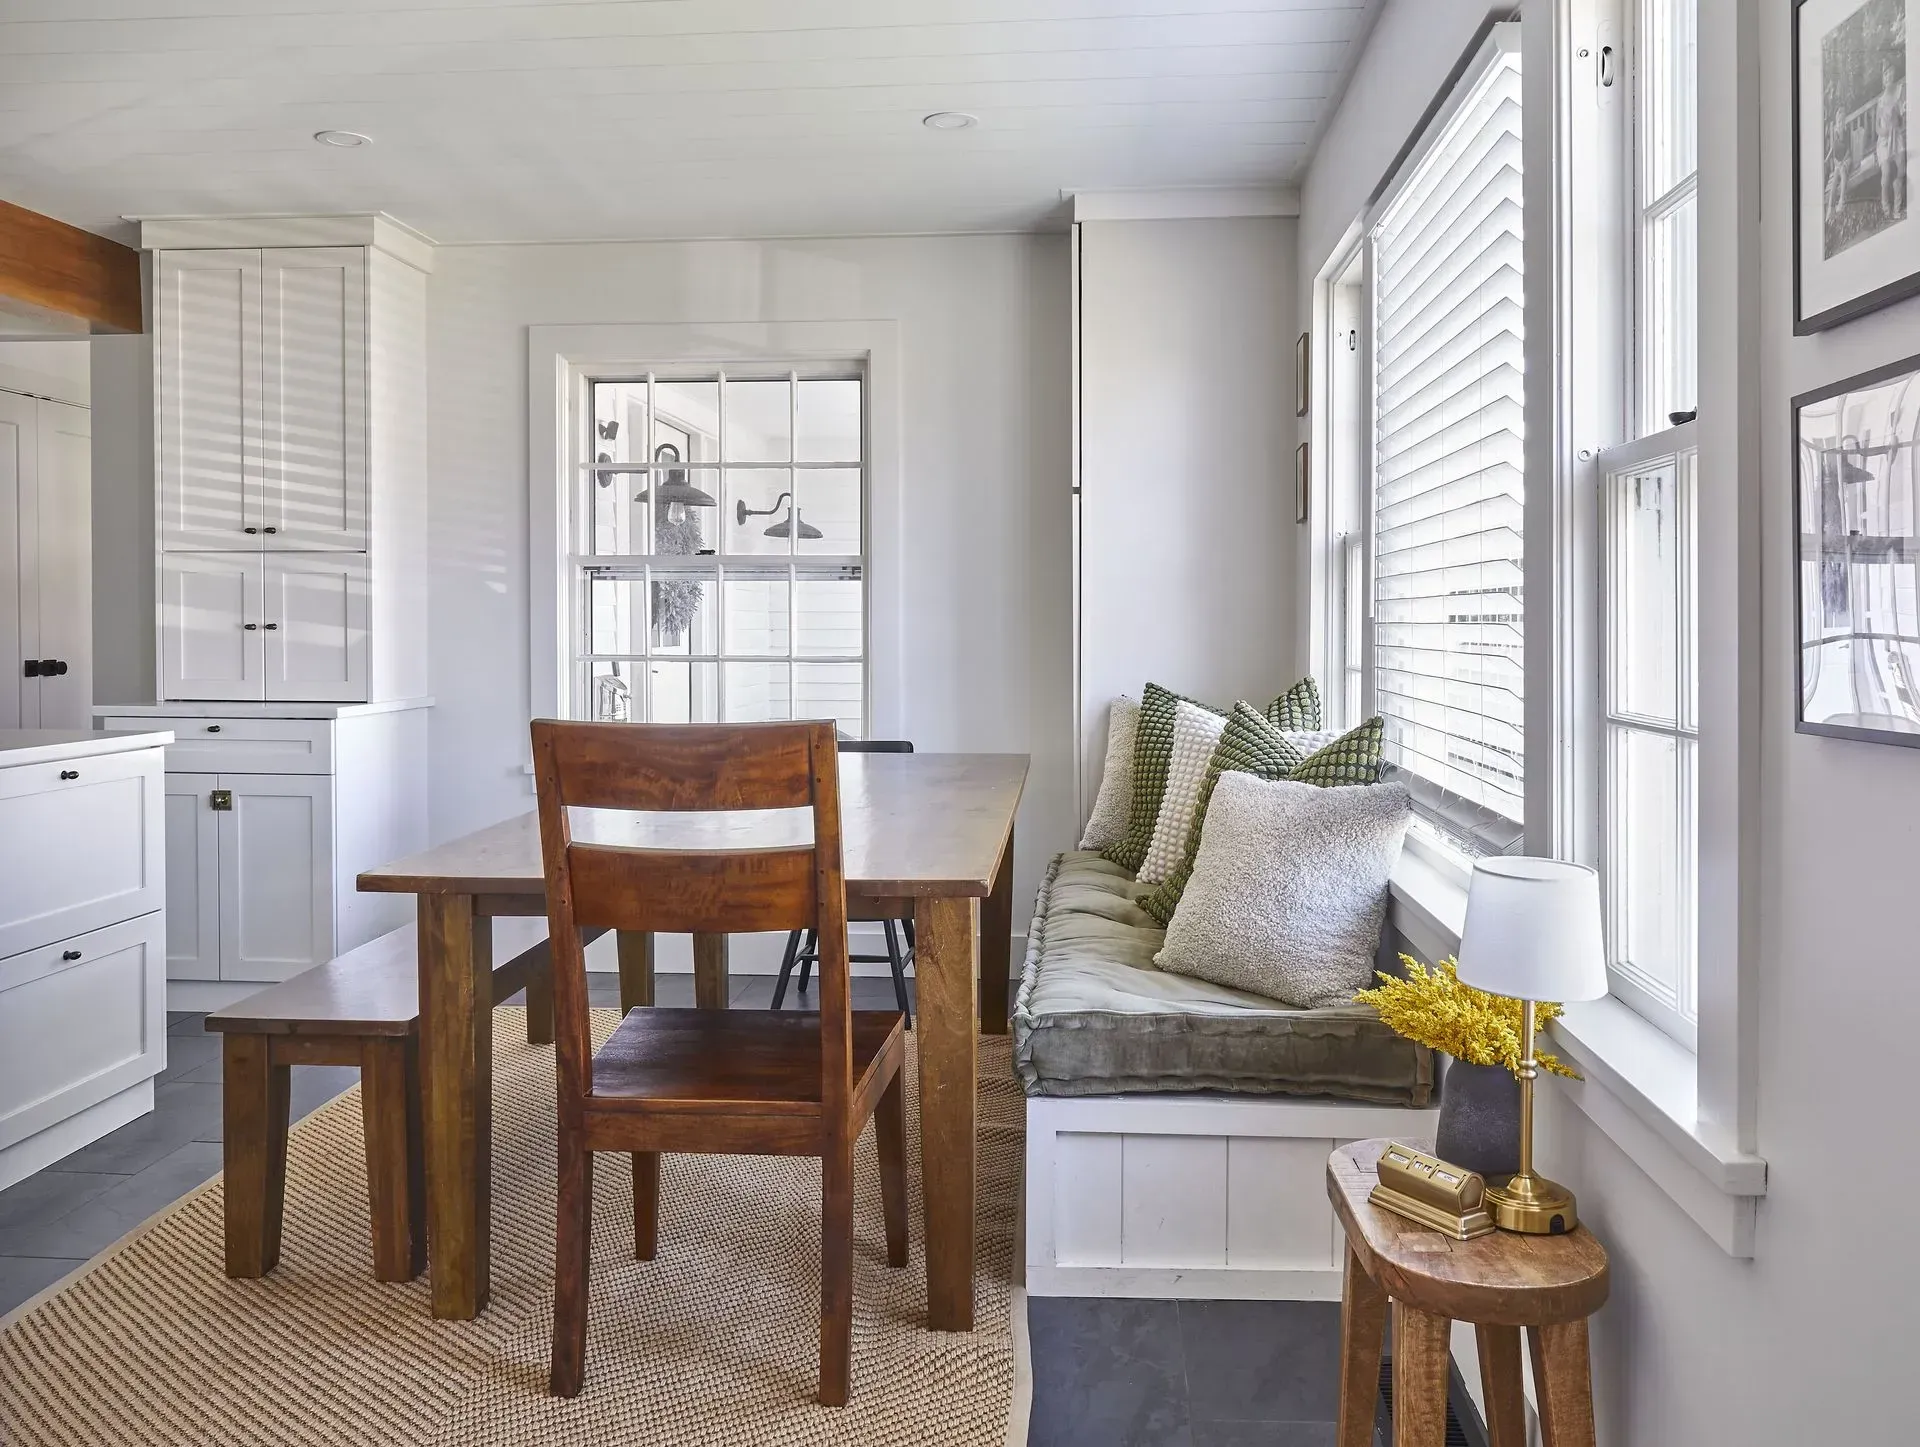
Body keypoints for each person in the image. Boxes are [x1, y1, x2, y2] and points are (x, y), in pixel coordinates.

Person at [1879, 57, 1908, 221]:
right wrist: (1882, 131)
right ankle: (1886, 209)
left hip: (1896, 138)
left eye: (1890, 72)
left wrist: (1900, 118)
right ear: (1883, 80)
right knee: (1886, 173)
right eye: (1885, 74)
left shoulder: (1900, 91)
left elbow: (1901, 120)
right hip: (1884, 142)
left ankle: (1897, 207)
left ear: (1893, 74)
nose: (1888, 76)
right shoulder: (1880, 101)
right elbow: (1877, 126)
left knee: (1901, 169)